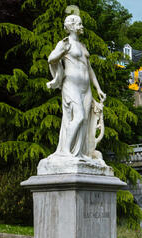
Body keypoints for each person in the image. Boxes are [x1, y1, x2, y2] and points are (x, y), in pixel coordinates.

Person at [46, 14, 105, 161]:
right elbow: (51, 59)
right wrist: (61, 52)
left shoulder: (83, 46)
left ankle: (80, 153)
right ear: (71, 27)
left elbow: (89, 69)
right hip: (71, 85)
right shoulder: (65, 43)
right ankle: (65, 151)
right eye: (79, 24)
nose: (82, 26)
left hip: (86, 88)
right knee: (78, 117)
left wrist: (98, 89)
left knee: (85, 120)